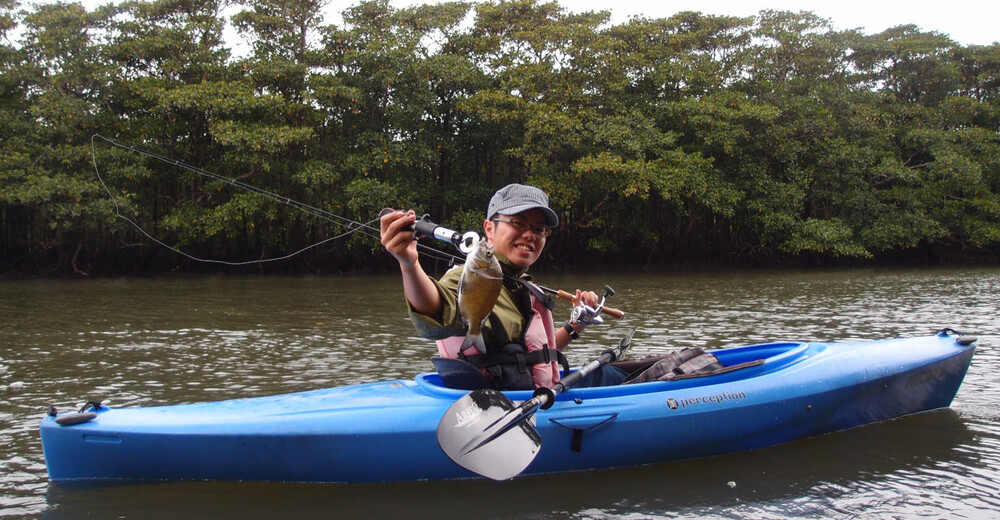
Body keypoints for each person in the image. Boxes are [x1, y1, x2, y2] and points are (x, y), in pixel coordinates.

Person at [380, 183, 622, 390]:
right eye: (518, 222)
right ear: (489, 229)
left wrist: (574, 326)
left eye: (539, 229)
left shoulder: (523, 285)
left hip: (544, 396)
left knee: (618, 374)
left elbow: (532, 355)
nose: (530, 235)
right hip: (506, 409)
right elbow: (436, 308)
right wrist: (409, 265)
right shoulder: (472, 276)